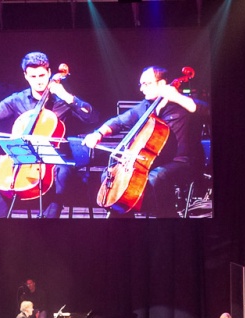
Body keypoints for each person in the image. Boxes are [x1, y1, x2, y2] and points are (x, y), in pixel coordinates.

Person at [0, 51, 97, 219]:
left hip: (56, 160)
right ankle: (2, 222)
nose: (39, 80)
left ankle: (48, 223)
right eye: (33, 76)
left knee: (62, 172)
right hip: (24, 158)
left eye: (42, 75)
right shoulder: (17, 99)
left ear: (49, 73)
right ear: (26, 76)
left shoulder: (62, 99)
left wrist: (67, 96)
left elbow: (91, 117)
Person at [83, 66, 209, 218]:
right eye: (141, 84)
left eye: (146, 84)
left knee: (156, 178)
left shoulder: (183, 105)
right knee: (109, 175)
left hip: (180, 163)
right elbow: (118, 122)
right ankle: (124, 219)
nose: (142, 89)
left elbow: (207, 111)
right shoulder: (145, 106)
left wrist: (177, 97)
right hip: (151, 162)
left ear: (162, 84)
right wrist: (98, 133)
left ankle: (167, 217)